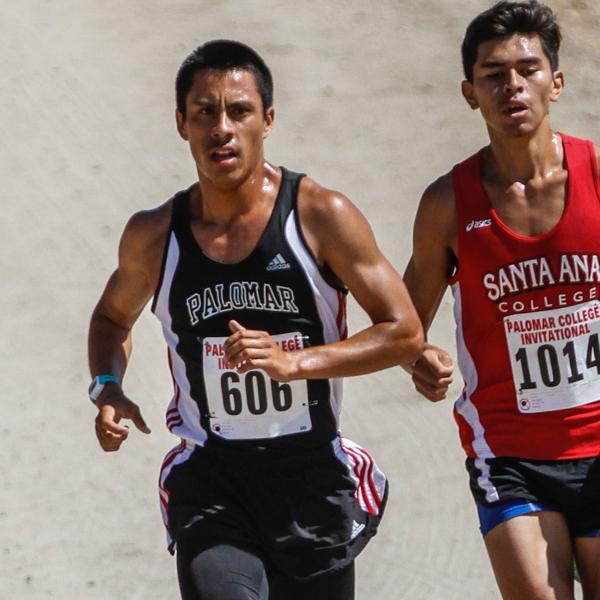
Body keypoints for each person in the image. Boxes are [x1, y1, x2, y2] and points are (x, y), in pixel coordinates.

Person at [88, 40, 423, 600]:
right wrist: (106, 385)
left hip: (312, 482)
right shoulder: (153, 235)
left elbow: (403, 330)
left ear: (267, 120)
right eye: (204, 112)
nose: (222, 127)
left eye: (239, 110)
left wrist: (295, 364)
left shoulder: (320, 215)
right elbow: (110, 318)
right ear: (181, 124)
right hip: (212, 483)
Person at [403, 2, 600, 599]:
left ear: (556, 82)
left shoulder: (596, 175)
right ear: (470, 93)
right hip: (507, 451)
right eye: (492, 73)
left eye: (528, 68)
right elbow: (403, 321)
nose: (511, 84)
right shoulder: (449, 203)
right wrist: (420, 358)